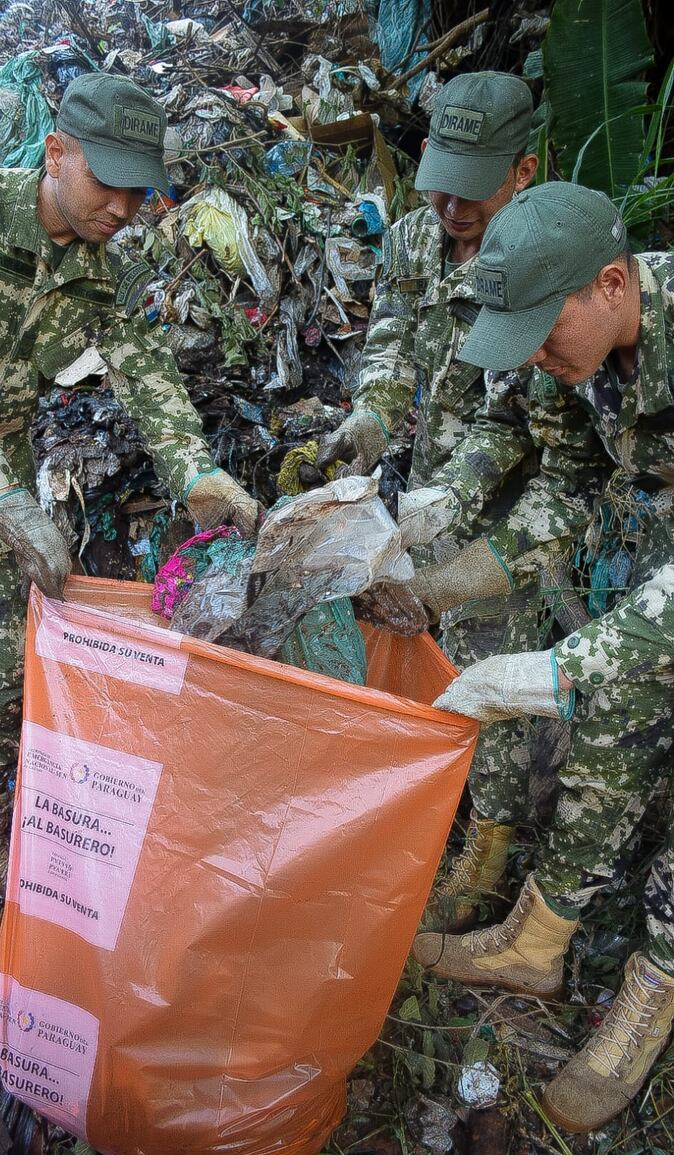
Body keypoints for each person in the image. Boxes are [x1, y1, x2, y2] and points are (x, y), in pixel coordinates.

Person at [0, 72, 261, 894]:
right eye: (110, 182)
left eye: (140, 191)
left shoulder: (109, 269)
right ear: (56, 152)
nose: (124, 208)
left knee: (0, 656)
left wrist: (198, 472)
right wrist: (2, 495)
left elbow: (149, 376)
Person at [409, 181, 674, 1133]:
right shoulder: (578, 350)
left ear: (612, 284)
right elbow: (564, 487)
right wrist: (440, 575)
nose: (533, 357)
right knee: (610, 718)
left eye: (542, 331)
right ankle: (538, 940)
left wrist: (552, 669)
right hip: (657, 575)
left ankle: (656, 987)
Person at [318, 71, 560, 932]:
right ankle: (441, 811)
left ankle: (489, 851)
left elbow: (527, 420)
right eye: (441, 182)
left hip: (512, 498)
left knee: (493, 665)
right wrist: (372, 416)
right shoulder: (418, 235)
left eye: (473, 188)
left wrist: (456, 498)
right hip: (430, 482)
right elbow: (391, 335)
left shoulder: (542, 258)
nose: (453, 206)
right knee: (431, 651)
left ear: (523, 172)